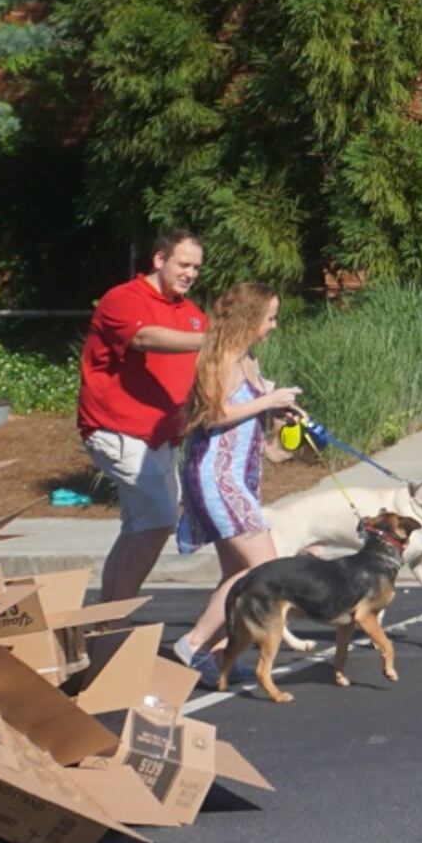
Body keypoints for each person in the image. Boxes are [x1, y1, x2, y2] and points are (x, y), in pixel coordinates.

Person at [166, 285, 309, 675]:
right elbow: (212, 415)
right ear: (249, 318)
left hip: (237, 476)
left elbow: (246, 426)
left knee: (238, 573)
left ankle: (217, 656)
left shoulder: (248, 359)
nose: (274, 325)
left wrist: (279, 424)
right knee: (264, 570)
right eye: (270, 318)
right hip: (215, 477)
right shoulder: (220, 358)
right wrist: (269, 400)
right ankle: (194, 642)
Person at [80, 227, 209, 603]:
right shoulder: (123, 299)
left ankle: (107, 616)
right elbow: (144, 338)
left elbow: (209, 364)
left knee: (141, 526)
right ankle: (115, 618)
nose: (190, 273)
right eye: (183, 264)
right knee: (158, 521)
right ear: (159, 259)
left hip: (162, 438)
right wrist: (211, 339)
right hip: (117, 430)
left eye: (196, 268)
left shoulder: (191, 314)